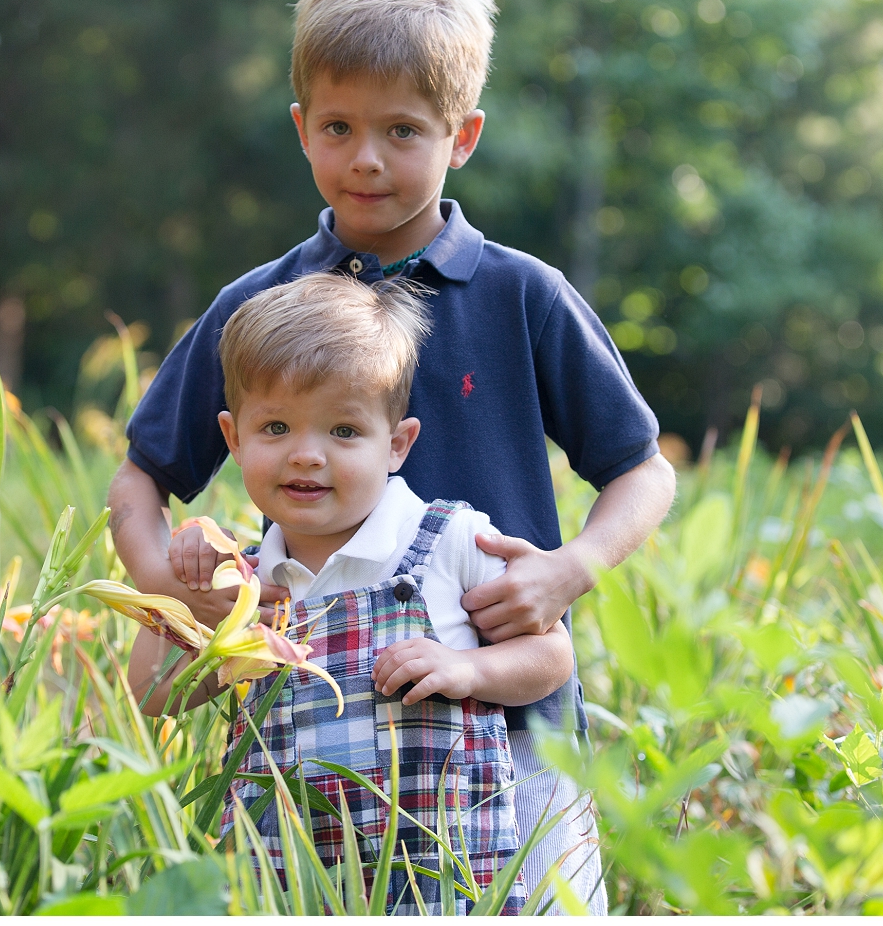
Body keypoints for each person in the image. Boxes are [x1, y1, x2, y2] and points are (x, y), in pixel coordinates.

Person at [109, 0, 677, 914]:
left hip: (514, 718)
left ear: (463, 134)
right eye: (338, 125)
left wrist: (566, 567)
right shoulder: (261, 306)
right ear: (301, 128)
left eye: (403, 129)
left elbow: (642, 469)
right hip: (307, 748)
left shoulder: (520, 293)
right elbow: (141, 477)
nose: (366, 157)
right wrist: (175, 598)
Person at [127, 273, 573, 914]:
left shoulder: (451, 539)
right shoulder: (246, 581)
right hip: (287, 886)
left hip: (442, 877)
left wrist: (469, 668)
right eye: (276, 427)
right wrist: (188, 595)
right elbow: (153, 695)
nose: (306, 456)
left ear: (396, 444)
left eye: (342, 432)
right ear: (232, 439)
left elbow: (552, 657)